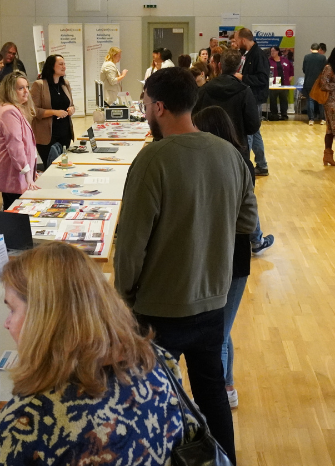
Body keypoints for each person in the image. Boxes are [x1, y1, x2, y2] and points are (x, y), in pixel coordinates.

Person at [0, 242, 198, 464]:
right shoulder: (156, 361)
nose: (7, 323)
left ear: (45, 319)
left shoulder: (27, 427)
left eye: (12, 309)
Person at [114, 67, 258, 465]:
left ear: (157, 107)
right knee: (211, 390)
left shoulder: (152, 160)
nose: (144, 110)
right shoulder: (229, 154)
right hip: (212, 301)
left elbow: (131, 244)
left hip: (158, 307)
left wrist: (123, 298)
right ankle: (225, 458)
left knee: (146, 395)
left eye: (144, 104)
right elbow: (246, 223)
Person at [192, 106, 254, 409]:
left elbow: (247, 221)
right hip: (230, 259)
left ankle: (220, 392)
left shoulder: (228, 165)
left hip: (227, 259)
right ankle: (226, 385)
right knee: (221, 326)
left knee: (219, 330)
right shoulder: (238, 161)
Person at [194, 48, 261, 175]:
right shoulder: (245, 91)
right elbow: (253, 126)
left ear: (219, 65)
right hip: (237, 150)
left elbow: (193, 119)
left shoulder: (204, 90)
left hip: (207, 150)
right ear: (239, 67)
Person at [0, 71, 39, 209]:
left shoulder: (11, 109)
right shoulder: (9, 111)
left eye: (27, 87)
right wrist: (27, 174)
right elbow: (15, 146)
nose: (26, 91)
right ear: (10, 90)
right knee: (15, 212)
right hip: (14, 174)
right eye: (20, 88)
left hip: (17, 172)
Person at [234, 28, 271, 178]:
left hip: (254, 98)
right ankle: (261, 165)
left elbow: (262, 79)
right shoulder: (247, 54)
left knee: (249, 132)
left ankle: (246, 166)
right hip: (249, 97)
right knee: (254, 132)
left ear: (243, 40)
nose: (236, 44)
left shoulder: (258, 55)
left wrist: (242, 78)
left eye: (237, 41)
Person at [30, 54, 75, 168]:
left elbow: (72, 104)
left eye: (64, 64)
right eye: (61, 64)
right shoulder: (39, 85)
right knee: (50, 167)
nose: (64, 67)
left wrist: (71, 109)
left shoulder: (66, 84)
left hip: (65, 133)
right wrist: (54, 112)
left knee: (64, 166)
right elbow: (33, 110)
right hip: (47, 136)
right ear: (51, 66)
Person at [303, 42, 328, 125]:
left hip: (308, 81)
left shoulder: (306, 57)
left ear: (311, 49)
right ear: (319, 49)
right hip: (319, 82)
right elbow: (325, 70)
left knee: (310, 100)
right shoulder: (323, 58)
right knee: (320, 100)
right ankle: (322, 119)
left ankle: (311, 119)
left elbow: (304, 69)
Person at [268, 46, 294, 120]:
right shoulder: (269, 61)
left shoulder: (285, 60)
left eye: (274, 51)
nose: (272, 53)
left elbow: (291, 68)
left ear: (277, 51)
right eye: (271, 51)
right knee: (273, 99)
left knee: (284, 99)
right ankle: (274, 114)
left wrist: (291, 76)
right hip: (273, 84)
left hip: (284, 83)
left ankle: (284, 114)